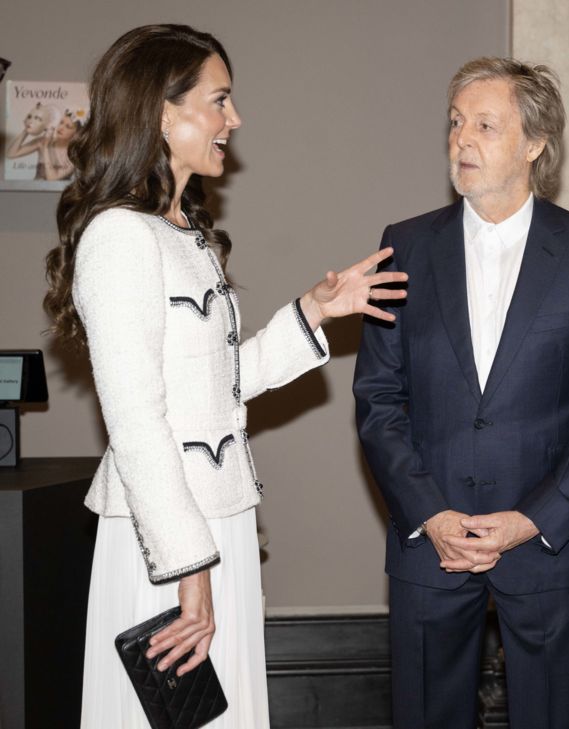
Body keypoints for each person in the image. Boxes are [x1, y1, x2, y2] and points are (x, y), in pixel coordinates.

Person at [42, 24, 407, 729]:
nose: (233, 120)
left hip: (220, 521)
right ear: (160, 112)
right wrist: (190, 570)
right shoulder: (118, 238)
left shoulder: (183, 231)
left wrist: (313, 312)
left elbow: (213, 384)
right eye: (219, 100)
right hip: (167, 540)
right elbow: (138, 422)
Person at [354, 57, 569, 729]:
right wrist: (432, 513)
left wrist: (532, 519)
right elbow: (377, 399)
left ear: (535, 143)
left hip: (545, 547)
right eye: (455, 123)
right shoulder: (405, 246)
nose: (461, 139)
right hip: (430, 544)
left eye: (485, 123)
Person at [36, 110, 82, 180]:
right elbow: (13, 153)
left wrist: (45, 147)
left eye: (68, 127)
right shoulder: (48, 141)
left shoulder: (73, 157)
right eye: (61, 122)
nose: (61, 128)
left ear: (75, 134)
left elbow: (52, 179)